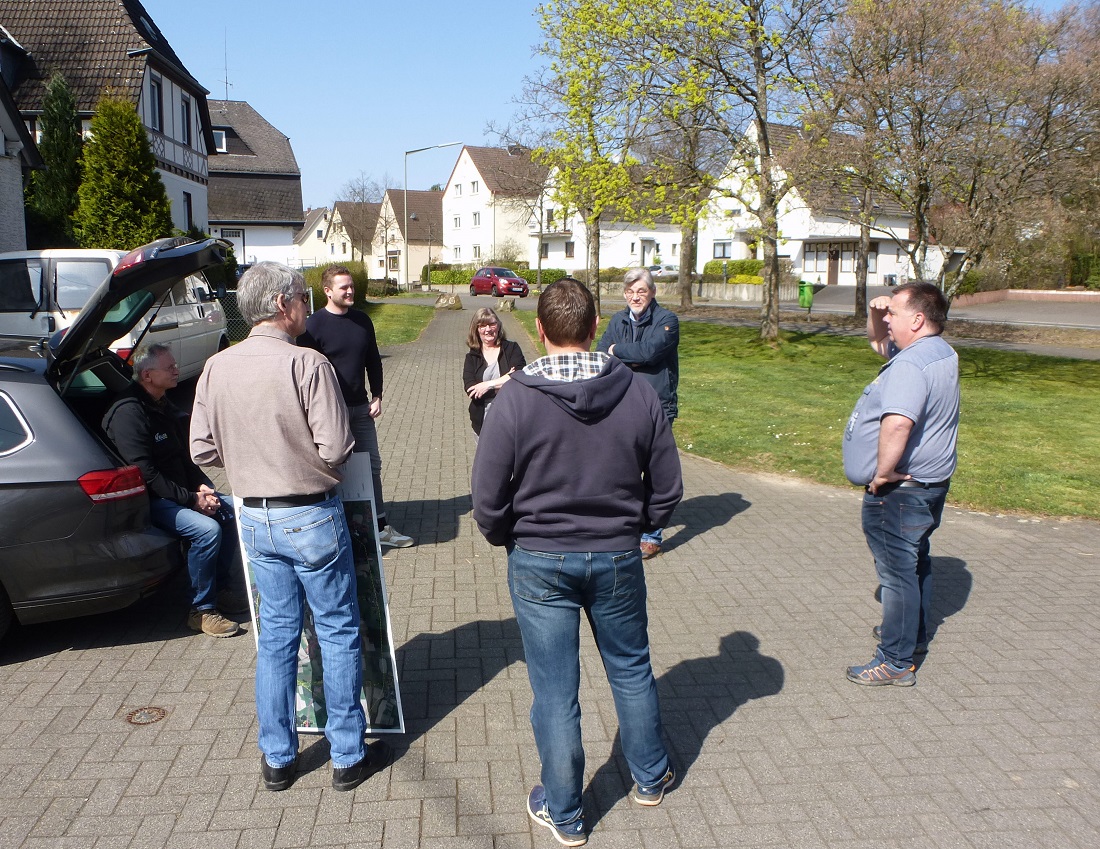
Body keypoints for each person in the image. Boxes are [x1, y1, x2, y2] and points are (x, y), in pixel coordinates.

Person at [472, 278, 683, 847]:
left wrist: (507, 538)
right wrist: (640, 527)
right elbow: (667, 487)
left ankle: (566, 812)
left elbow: (487, 500)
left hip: (539, 558)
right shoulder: (637, 393)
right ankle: (649, 776)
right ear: (595, 329)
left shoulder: (513, 398)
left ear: (538, 332)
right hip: (616, 554)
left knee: (555, 689)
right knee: (631, 669)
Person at [190, 262, 391, 792]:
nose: (306, 306)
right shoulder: (308, 363)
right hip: (309, 515)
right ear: (282, 304)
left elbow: (203, 448)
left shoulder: (217, 367)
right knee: (337, 629)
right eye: (302, 298)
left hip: (254, 517)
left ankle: (277, 757)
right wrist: (303, 461)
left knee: (277, 636)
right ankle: (347, 754)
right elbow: (337, 447)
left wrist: (252, 458)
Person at [842, 281, 960, 687]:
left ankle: (894, 661)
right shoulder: (938, 352)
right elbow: (880, 343)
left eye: (893, 312)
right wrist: (877, 314)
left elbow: (898, 422)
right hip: (931, 483)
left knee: (896, 573)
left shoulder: (910, 365)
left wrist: (882, 473)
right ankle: (913, 637)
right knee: (916, 562)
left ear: (918, 318)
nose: (887, 318)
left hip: (901, 491)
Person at [102, 342, 244, 639]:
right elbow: (145, 474)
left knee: (231, 509)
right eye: (169, 367)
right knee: (207, 530)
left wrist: (204, 487)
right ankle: (201, 610)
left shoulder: (162, 404)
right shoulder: (129, 413)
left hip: (179, 492)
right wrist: (192, 500)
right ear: (147, 375)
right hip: (148, 500)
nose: (176, 370)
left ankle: (222, 588)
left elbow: (182, 457)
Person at [298, 265, 413, 548]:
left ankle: (381, 525)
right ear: (327, 291)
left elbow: (373, 359)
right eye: (344, 287)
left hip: (361, 409)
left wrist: (378, 395)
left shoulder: (363, 321)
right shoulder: (312, 327)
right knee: (330, 467)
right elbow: (304, 374)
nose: (350, 291)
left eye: (351, 286)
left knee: (371, 466)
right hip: (328, 413)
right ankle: (335, 526)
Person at [596, 267, 679, 559]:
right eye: (630, 292)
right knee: (626, 467)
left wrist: (620, 351)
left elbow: (650, 352)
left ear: (652, 293)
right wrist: (626, 352)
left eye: (641, 291)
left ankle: (651, 534)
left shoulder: (667, 320)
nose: (635, 297)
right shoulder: (618, 320)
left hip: (658, 406)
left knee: (656, 471)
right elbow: (601, 352)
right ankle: (627, 524)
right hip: (622, 403)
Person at [462, 307, 527, 436]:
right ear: (476, 329)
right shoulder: (472, 357)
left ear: (498, 326)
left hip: (511, 416)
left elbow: (520, 376)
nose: (488, 329)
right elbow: (471, 389)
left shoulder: (511, 349)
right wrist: (507, 380)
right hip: (482, 420)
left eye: (492, 324)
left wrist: (487, 385)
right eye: (482, 326)